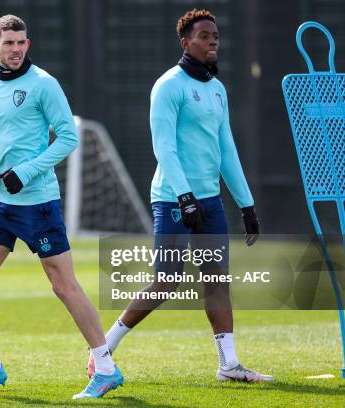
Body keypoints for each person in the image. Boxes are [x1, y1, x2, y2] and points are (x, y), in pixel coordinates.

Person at [87, 9, 274, 383]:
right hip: (173, 201)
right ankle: (104, 348)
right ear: (185, 42)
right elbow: (164, 148)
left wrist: (246, 202)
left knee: (217, 280)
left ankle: (228, 365)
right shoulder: (168, 86)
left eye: (215, 36)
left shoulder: (216, 89)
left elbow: (227, 149)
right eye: (204, 36)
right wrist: (184, 196)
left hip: (209, 203)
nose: (213, 41)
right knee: (166, 282)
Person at [0, 15, 123, 399]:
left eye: (21, 43)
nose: (16, 49)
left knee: (63, 286)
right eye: (8, 43)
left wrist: (27, 171)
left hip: (38, 203)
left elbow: (68, 137)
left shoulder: (44, 84)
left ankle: (107, 368)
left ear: (28, 44)